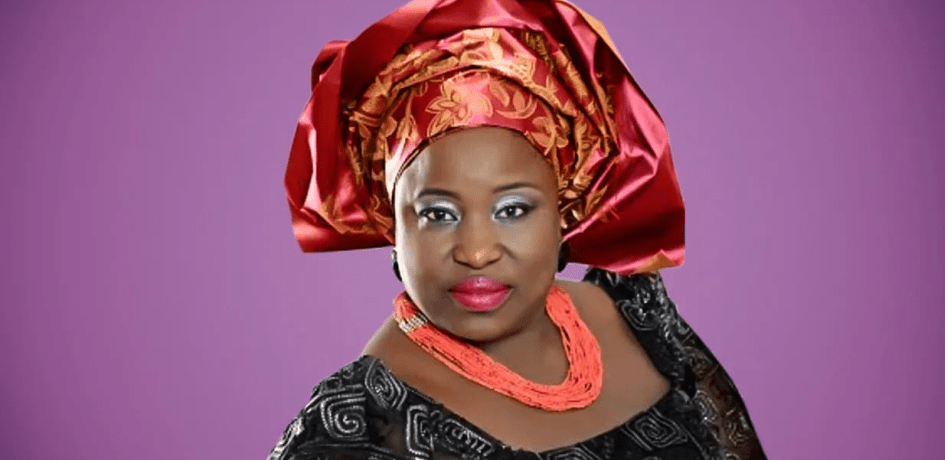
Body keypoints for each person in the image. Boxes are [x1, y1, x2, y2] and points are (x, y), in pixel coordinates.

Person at [269, 0, 767, 458]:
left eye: (512, 210)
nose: (477, 252)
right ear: (392, 226)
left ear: (564, 210)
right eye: (438, 214)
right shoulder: (356, 428)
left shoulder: (639, 315)